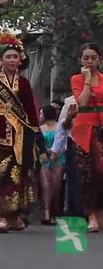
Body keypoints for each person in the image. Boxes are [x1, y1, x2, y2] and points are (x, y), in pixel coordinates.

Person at [0, 31, 46, 233]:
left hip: (20, 135)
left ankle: (14, 216)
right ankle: (2, 217)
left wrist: (36, 137)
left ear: (20, 59)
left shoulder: (24, 83)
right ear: (1, 59)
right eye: (8, 56)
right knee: (1, 176)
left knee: (18, 176)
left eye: (15, 57)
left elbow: (30, 113)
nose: (11, 60)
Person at [70, 42, 103, 232]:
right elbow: (81, 103)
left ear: (99, 59)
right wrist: (88, 80)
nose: (90, 61)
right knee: (88, 174)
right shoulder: (76, 79)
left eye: (93, 57)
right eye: (86, 58)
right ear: (80, 60)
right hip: (85, 130)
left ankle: (98, 212)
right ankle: (90, 214)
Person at [39, 104, 65, 224]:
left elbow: (63, 142)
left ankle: (55, 212)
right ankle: (46, 213)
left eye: (41, 113)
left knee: (56, 186)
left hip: (58, 159)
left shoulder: (60, 127)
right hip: (45, 160)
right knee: (46, 186)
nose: (40, 115)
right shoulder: (40, 128)